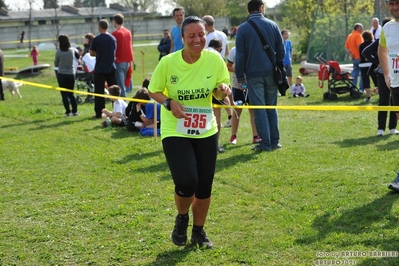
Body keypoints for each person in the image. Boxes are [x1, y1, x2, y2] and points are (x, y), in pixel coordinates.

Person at [148, 16, 230, 248]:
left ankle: (199, 231)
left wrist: (222, 91)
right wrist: (169, 103)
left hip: (205, 129)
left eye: (201, 34)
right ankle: (182, 218)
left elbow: (219, 91)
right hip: (176, 129)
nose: (197, 39)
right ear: (182, 38)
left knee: (204, 185)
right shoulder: (168, 62)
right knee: (187, 181)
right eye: (191, 36)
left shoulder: (214, 59)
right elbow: (153, 90)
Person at [235, 0, 285, 152]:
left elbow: (240, 56)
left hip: (253, 74)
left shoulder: (242, 29)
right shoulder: (273, 25)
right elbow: (281, 51)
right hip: (271, 72)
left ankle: (265, 144)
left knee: (259, 109)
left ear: (248, 11)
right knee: (271, 107)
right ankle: (275, 142)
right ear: (261, 8)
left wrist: (240, 78)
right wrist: (275, 65)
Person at [362, 16, 398, 136]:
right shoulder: (381, 39)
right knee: (383, 101)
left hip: (396, 75)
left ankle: (392, 127)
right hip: (383, 75)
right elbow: (365, 52)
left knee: (394, 102)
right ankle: (380, 129)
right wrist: (378, 63)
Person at [378, 0, 399, 192]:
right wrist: (386, 73)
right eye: (391, 3)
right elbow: (382, 50)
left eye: (398, 3)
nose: (394, 7)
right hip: (397, 84)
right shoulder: (387, 28)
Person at [203, 16, 232, 128]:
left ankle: (223, 119)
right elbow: (227, 52)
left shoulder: (207, 37)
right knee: (224, 92)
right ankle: (230, 115)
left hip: (211, 70)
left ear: (205, 24)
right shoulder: (223, 34)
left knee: (216, 96)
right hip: (222, 67)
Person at [227, 46, 261, 145]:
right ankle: (233, 136)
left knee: (253, 112)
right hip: (237, 86)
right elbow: (228, 65)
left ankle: (256, 136)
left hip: (252, 86)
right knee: (237, 112)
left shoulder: (254, 48)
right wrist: (239, 71)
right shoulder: (234, 50)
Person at [90, 19, 117, 119]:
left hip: (100, 68)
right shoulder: (113, 38)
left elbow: (91, 53)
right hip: (111, 67)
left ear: (99, 27)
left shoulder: (96, 39)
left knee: (99, 91)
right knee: (114, 91)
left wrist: (98, 53)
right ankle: (117, 110)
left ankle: (99, 112)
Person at [54, 34, 79, 117]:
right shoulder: (72, 51)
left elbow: (56, 63)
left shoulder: (59, 52)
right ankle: (75, 111)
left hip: (61, 74)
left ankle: (68, 111)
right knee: (71, 93)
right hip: (71, 74)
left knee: (64, 94)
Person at [112, 13, 134, 98]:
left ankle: (124, 106)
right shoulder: (128, 32)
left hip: (119, 61)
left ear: (115, 22)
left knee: (120, 86)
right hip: (127, 61)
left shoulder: (115, 33)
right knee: (124, 84)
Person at [345, 23, 364, 93]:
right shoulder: (358, 35)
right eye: (361, 28)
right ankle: (361, 89)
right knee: (363, 73)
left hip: (354, 58)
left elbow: (346, 47)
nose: (362, 29)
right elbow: (360, 46)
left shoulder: (350, 35)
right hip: (360, 57)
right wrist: (363, 55)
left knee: (354, 73)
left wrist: (350, 54)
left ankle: (353, 87)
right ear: (358, 28)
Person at [359, 30, 378, 102]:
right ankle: (381, 95)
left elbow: (361, 55)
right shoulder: (373, 44)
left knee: (365, 81)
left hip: (363, 64)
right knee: (376, 80)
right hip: (372, 64)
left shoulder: (361, 45)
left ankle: (368, 97)